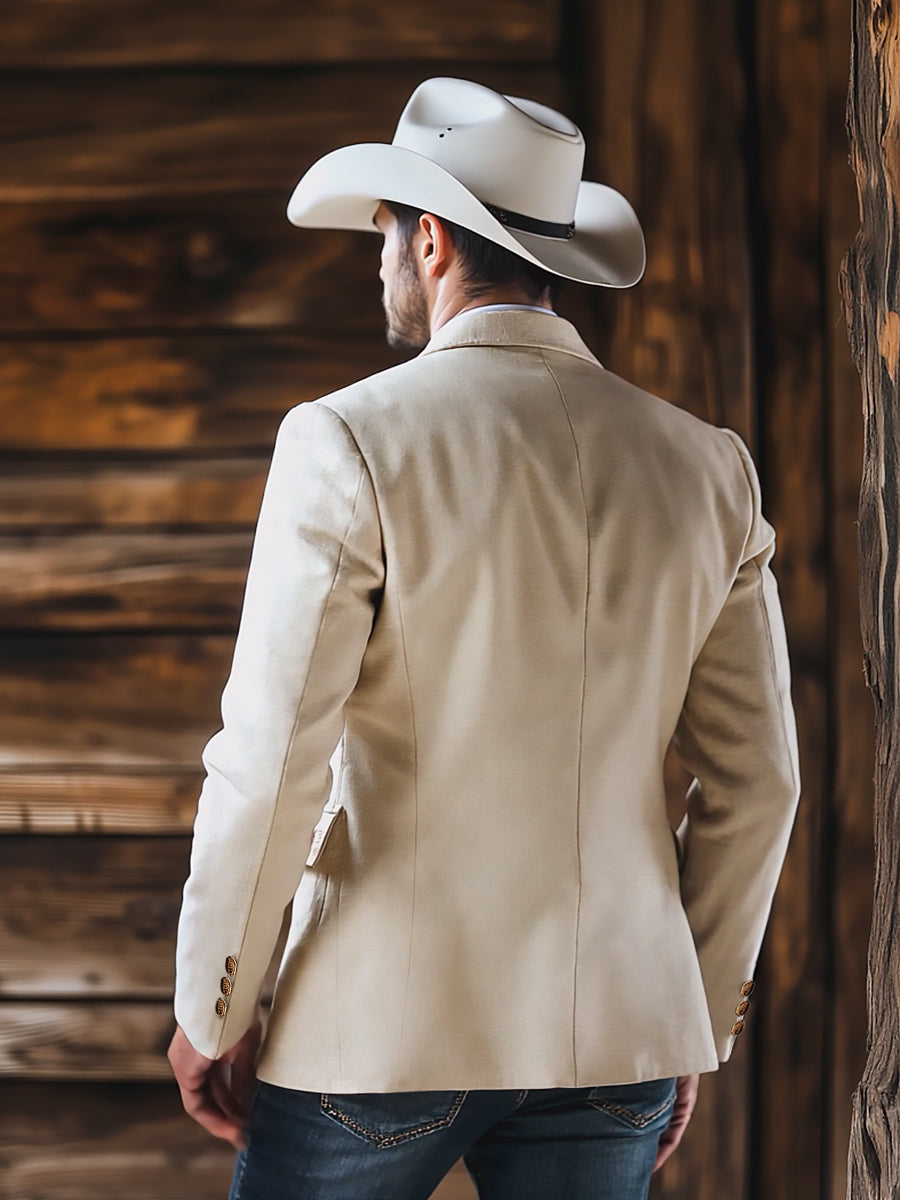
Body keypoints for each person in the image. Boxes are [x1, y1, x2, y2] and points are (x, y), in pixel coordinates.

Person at [167, 77, 800, 1199]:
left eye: (382, 237)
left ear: (427, 242)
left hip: (375, 1032)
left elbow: (270, 760)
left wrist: (212, 1008)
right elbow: (761, 783)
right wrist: (682, 1012)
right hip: (615, 1031)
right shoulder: (709, 468)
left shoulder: (346, 441)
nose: (381, 262)